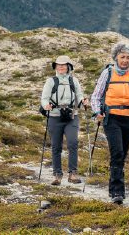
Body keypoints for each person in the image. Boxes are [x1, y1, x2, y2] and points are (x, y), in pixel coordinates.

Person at [89, 42, 129, 205]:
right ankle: (117, 192)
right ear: (116, 56)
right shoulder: (107, 73)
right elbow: (96, 95)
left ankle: (114, 186)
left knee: (122, 154)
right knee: (117, 152)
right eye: (122, 56)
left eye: (128, 58)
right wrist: (98, 112)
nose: (125, 60)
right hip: (112, 118)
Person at [40, 55, 84, 185]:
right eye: (58, 65)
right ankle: (57, 175)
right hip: (54, 116)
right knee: (56, 146)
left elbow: (79, 96)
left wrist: (83, 102)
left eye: (63, 65)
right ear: (55, 67)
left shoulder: (74, 81)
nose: (61, 67)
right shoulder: (50, 81)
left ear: (68, 67)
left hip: (71, 116)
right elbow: (44, 98)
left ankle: (73, 174)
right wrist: (45, 105)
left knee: (73, 143)